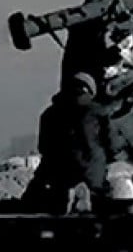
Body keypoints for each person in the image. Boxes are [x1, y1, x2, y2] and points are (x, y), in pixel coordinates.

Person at [20, 72, 110, 214]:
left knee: (38, 194)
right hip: (94, 175)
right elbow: (112, 144)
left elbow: (43, 147)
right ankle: (86, 193)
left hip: (58, 175)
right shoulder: (100, 113)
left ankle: (68, 195)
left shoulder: (49, 114)